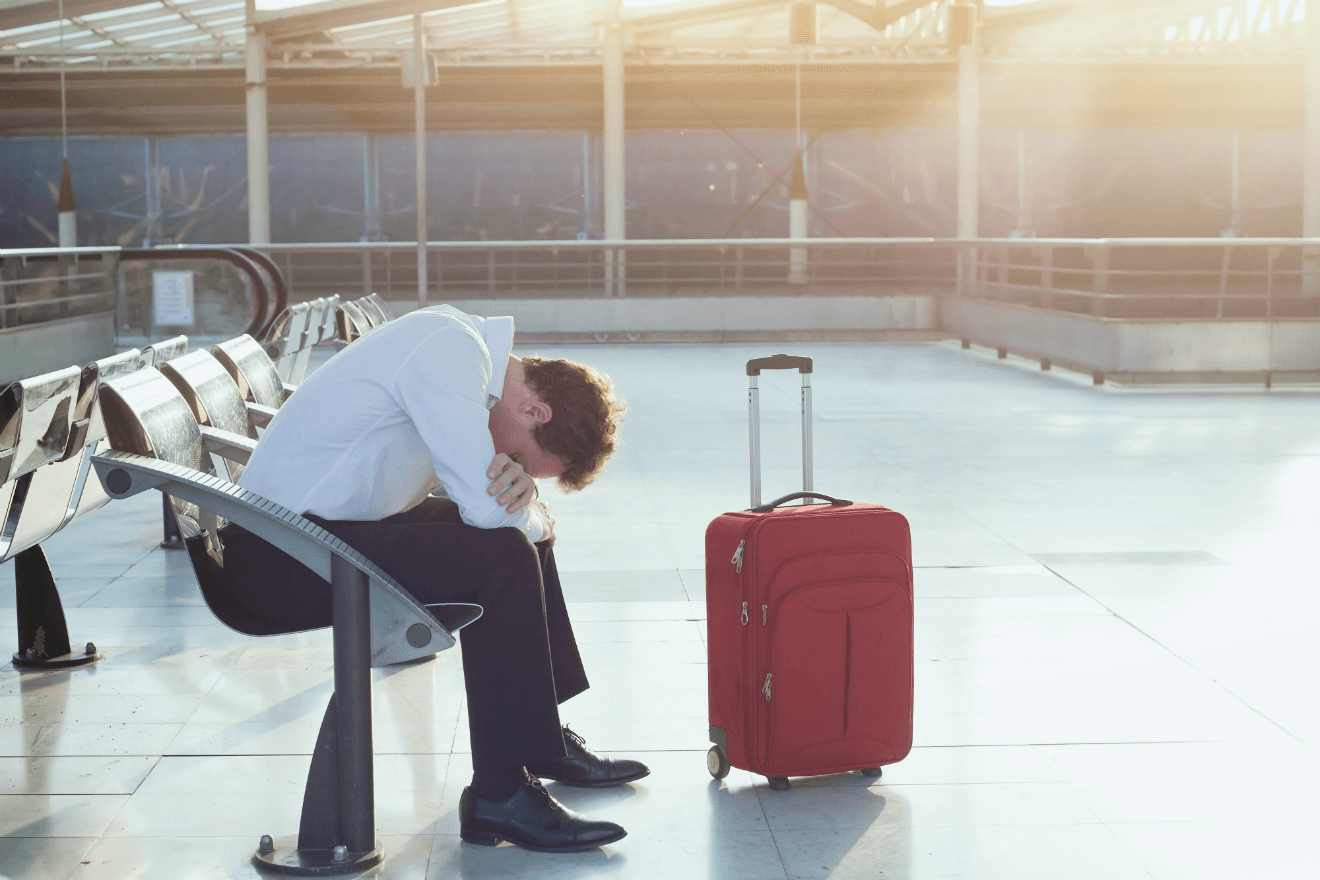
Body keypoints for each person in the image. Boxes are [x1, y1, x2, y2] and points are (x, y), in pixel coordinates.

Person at [221, 304, 645, 854]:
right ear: (534, 409)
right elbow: (488, 510)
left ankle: (540, 742)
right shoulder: (449, 350)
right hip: (278, 557)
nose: (508, 464)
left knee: (520, 540)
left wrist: (528, 512)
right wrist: (531, 513)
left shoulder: (460, 347)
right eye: (519, 457)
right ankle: (499, 794)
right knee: (505, 552)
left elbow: (487, 505)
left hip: (321, 533)